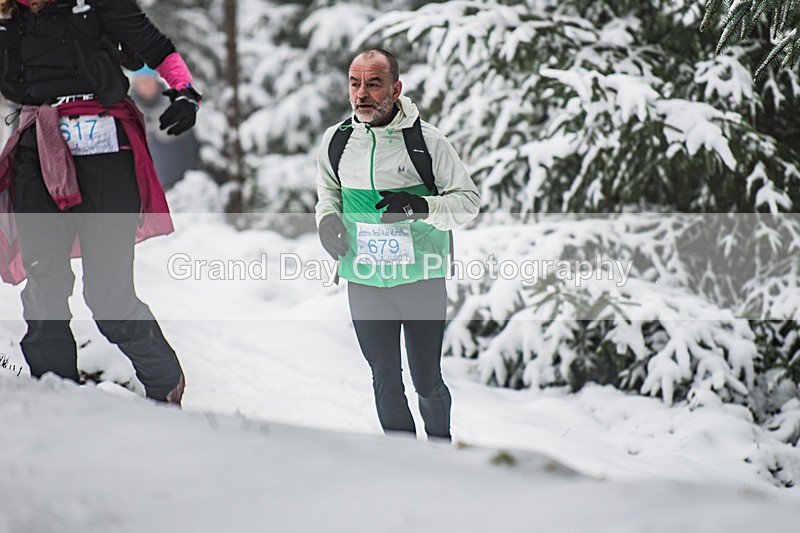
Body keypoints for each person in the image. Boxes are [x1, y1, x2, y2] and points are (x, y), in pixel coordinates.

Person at [0, 0, 202, 405]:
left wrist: (184, 93)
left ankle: (164, 386)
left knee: (109, 297)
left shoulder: (95, 4)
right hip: (36, 153)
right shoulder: (7, 21)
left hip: (107, 158)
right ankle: (56, 397)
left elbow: (154, 45)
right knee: (45, 285)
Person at [315, 49, 480, 441]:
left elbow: (468, 203)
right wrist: (325, 221)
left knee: (426, 381)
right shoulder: (337, 141)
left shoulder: (427, 142)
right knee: (385, 378)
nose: (361, 94)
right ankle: (403, 462)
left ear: (396, 87)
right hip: (366, 278)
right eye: (355, 83)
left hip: (420, 278)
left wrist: (421, 206)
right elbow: (328, 193)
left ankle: (440, 453)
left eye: (374, 83)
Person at [129, 67, 200, 190]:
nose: (146, 85)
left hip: (176, 183)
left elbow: (190, 147)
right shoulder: (128, 110)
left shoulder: (174, 106)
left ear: (156, 81)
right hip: (142, 187)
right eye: (142, 81)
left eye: (149, 80)